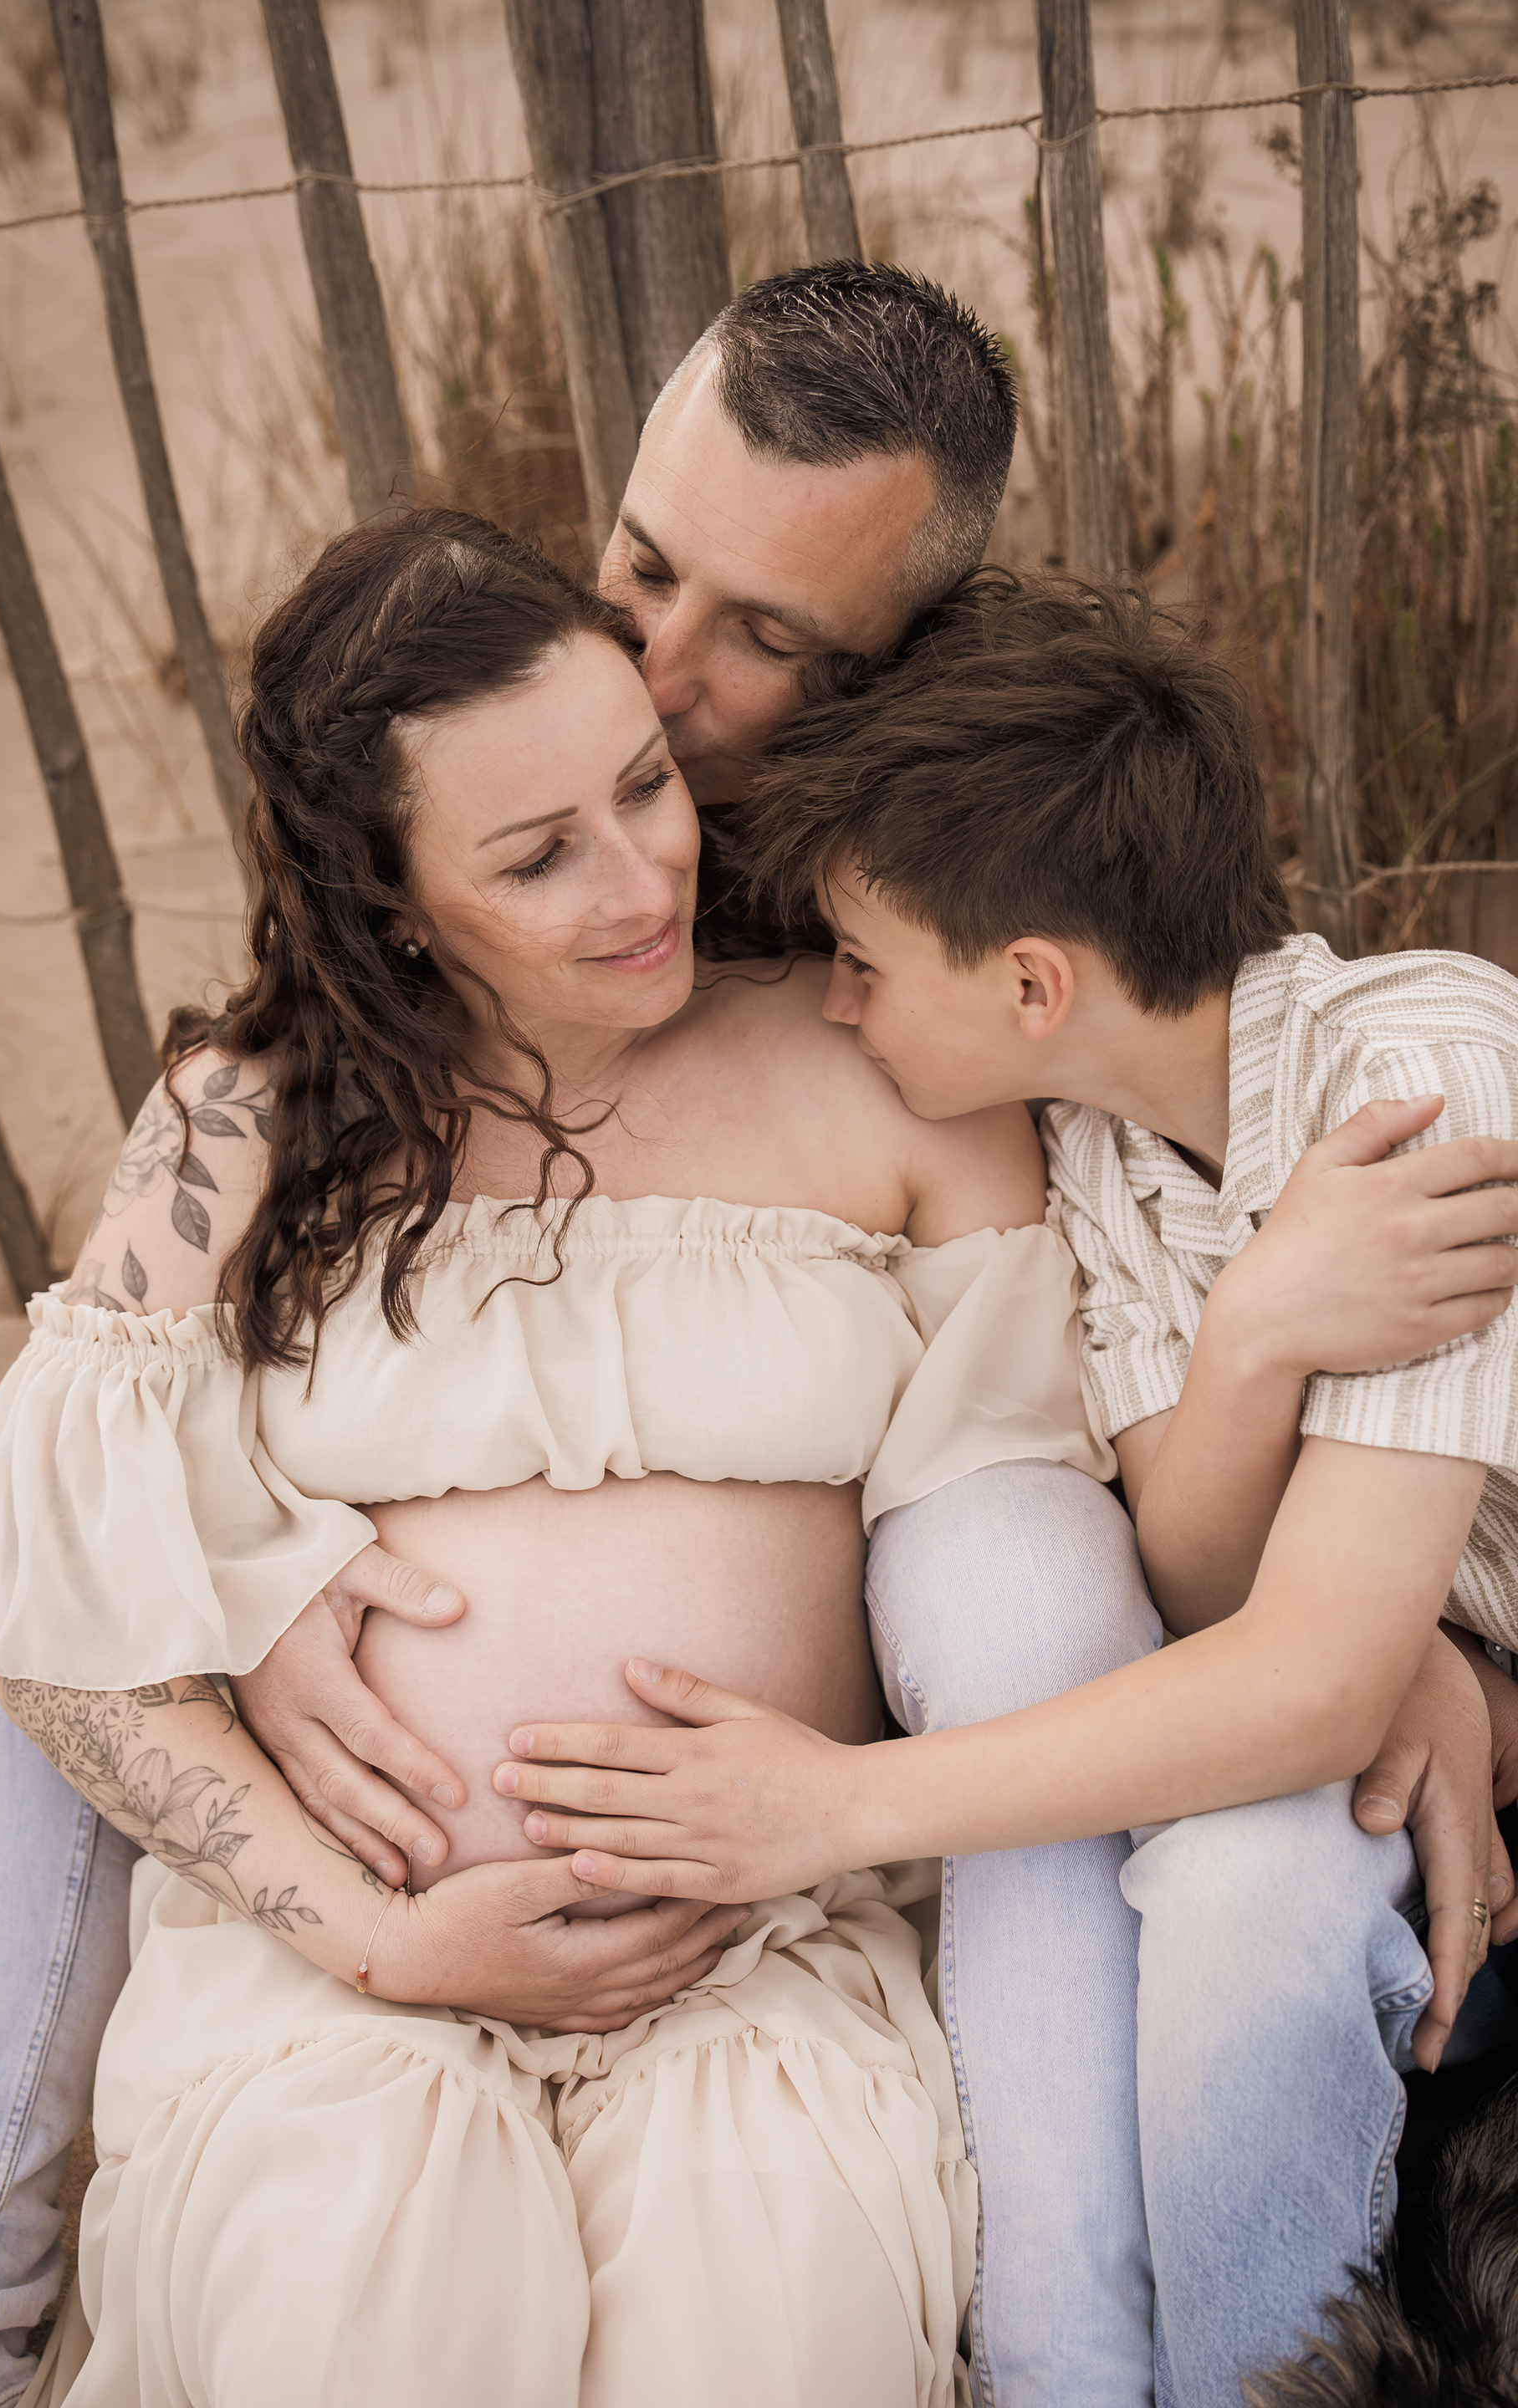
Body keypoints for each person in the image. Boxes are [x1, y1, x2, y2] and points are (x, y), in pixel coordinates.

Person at [0, 265, 1505, 2408]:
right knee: (47, 1566)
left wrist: (1421, 1630)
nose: (660, 681)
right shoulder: (325, 1028)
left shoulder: (946, 979)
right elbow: (83, 1536)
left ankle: (1086, 2358)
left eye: (752, 652)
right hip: (359, 1951)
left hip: (773, 1925)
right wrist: (241, 1574)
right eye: (647, 571)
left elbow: (1112, 1467)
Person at [0, 506, 1085, 2404]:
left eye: (646, 786)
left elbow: (1054, 1514)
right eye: (535, 854)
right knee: (368, 2315)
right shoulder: (232, 1133)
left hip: (753, 1955)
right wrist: (395, 1944)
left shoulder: (881, 1068)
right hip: (336, 1965)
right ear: (388, 891)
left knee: (775, 2326)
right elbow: (72, 1651)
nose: (642, 874)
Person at [479, 570, 1518, 2407]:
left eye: (865, 963)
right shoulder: (1106, 1162)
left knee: (1247, 1885)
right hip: (1412, 1670)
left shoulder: (1415, 1077)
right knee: (1231, 1888)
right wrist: (1258, 1333)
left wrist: (829, 1807)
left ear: (1032, 983)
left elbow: (1306, 1681)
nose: (840, 1008)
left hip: (1430, 1689)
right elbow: (1204, 1595)